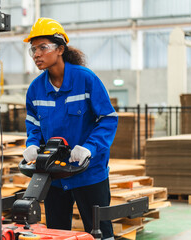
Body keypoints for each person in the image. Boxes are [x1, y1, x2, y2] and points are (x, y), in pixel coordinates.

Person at [22, 18, 118, 240]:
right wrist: (32, 144)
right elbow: (33, 124)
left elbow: (108, 119)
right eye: (33, 49)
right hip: (54, 174)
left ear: (60, 49)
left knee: (100, 232)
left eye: (42, 47)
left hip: (89, 172)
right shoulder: (36, 89)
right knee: (57, 233)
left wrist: (89, 148)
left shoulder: (86, 80)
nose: (36, 54)